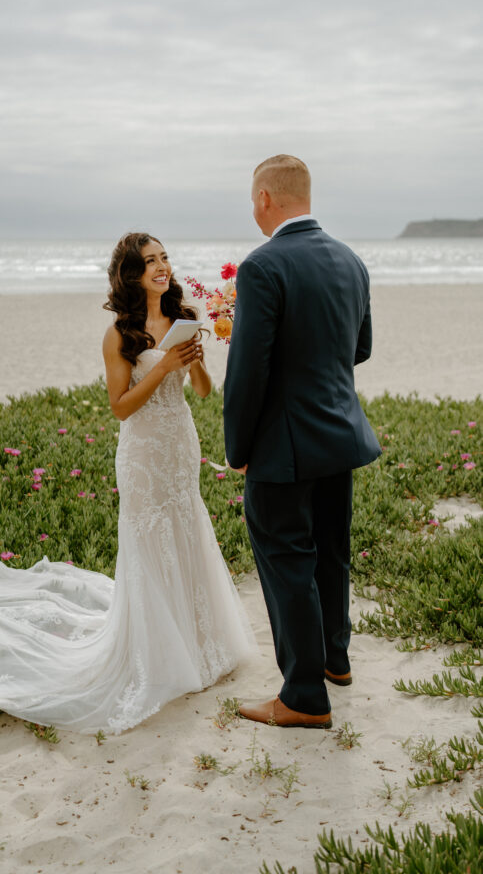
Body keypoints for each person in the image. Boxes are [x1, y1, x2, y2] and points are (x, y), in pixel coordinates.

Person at [0, 233, 253, 734]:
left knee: (186, 529)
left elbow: (204, 392)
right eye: (150, 261)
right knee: (151, 541)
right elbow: (120, 408)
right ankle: (157, 652)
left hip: (179, 446)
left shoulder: (183, 314)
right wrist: (163, 365)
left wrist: (195, 365)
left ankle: (197, 640)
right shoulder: (119, 335)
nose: (162, 267)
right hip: (144, 453)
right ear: (131, 273)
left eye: (164, 258)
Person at [223, 155, 381, 730]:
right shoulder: (351, 260)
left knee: (288, 561)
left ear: (265, 198)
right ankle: (335, 660)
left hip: (284, 447)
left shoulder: (262, 267)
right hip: (340, 435)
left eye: (252, 199)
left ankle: (304, 696)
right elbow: (359, 349)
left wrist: (237, 449)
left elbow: (247, 376)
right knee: (331, 550)